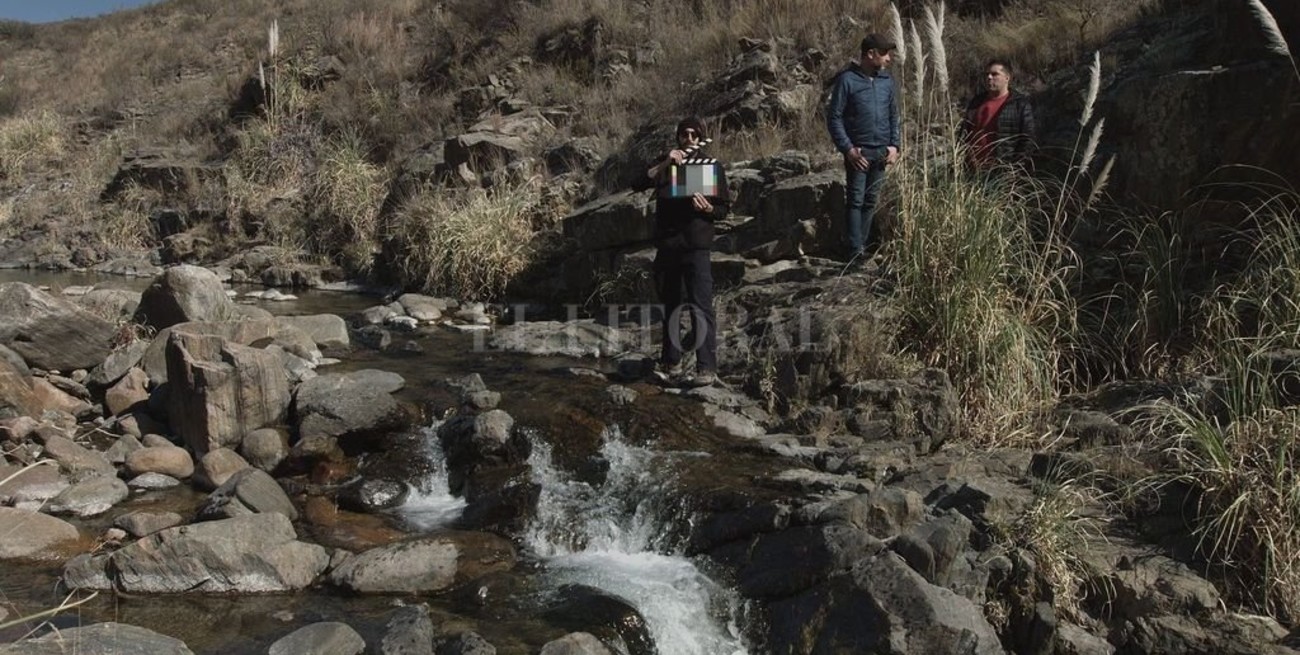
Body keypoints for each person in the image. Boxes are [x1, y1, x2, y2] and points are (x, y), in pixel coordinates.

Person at [631, 116, 731, 387]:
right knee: (671, 306)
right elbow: (637, 182)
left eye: (694, 134)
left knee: (701, 306)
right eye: (684, 134)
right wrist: (666, 163)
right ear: (677, 137)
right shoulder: (665, 164)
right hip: (668, 246)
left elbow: (723, 208)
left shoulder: (711, 166)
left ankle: (706, 368)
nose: (689, 139)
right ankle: (670, 363)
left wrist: (708, 209)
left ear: (700, 138)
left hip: (697, 246)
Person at [826, 33, 901, 263]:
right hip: (858, 152)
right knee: (856, 200)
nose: (889, 58)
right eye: (885, 53)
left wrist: (894, 145)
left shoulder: (887, 81)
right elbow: (834, 117)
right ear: (871, 54)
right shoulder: (847, 80)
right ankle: (854, 250)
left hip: (881, 151)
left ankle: (862, 246)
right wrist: (848, 149)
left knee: (870, 200)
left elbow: (893, 115)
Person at [962, 59, 1037, 169]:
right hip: (973, 171)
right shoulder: (976, 102)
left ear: (1007, 78)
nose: (989, 77)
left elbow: (1028, 139)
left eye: (994, 74)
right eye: (987, 74)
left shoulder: (1019, 104)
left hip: (1003, 172)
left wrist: (1015, 168)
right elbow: (964, 133)